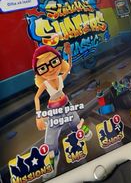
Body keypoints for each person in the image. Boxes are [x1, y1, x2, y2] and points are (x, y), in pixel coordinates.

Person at [33, 42, 91, 177]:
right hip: (54, 112)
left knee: (76, 121)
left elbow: (69, 66)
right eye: (43, 68)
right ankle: (52, 158)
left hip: (67, 105)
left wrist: (69, 53)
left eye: (54, 62)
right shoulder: (45, 84)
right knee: (51, 138)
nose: (50, 69)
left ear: (59, 61)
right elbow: (36, 98)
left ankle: (80, 130)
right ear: (39, 72)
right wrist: (39, 116)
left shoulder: (60, 78)